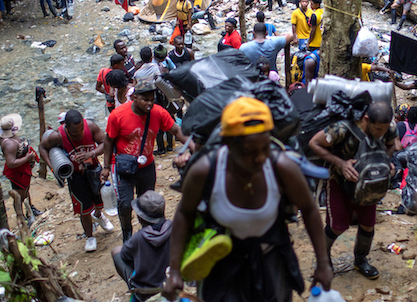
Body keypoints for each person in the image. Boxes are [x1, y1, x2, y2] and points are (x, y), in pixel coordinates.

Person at [163, 97, 333, 301]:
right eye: (249, 152)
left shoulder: (281, 167)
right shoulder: (205, 171)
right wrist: (174, 271)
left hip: (270, 260)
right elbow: (184, 213)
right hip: (222, 265)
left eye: (265, 148)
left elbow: (309, 208)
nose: (260, 158)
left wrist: (323, 262)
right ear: (227, 144)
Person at [308, 101, 401, 280]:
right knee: (337, 226)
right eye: (377, 129)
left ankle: (360, 260)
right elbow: (314, 143)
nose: (381, 133)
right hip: (340, 182)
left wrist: (384, 160)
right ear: (366, 119)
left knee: (368, 224)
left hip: (370, 183)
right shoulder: (343, 129)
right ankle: (323, 259)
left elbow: (394, 145)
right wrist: (340, 163)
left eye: (384, 129)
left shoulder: (387, 127)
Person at [102, 81, 188, 241]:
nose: (149, 103)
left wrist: (193, 145)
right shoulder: (118, 115)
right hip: (124, 167)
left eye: (151, 99)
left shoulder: (158, 113)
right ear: (134, 97)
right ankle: (127, 232)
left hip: (146, 166)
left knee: (146, 202)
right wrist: (106, 167)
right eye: (145, 99)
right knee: (125, 204)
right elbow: (109, 141)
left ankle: (148, 233)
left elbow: (175, 130)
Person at [40, 110, 115, 252]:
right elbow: (42, 147)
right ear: (66, 128)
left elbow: (105, 143)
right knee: (83, 208)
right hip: (76, 176)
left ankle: (98, 215)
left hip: (93, 169)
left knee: (100, 199)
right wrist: (53, 168)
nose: (80, 134)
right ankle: (89, 236)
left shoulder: (91, 127)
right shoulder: (58, 136)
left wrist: (91, 153)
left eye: (81, 129)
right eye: (75, 133)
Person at [111, 190, 172, 300]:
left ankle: (132, 283)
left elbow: (125, 255)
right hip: (170, 284)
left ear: (141, 218)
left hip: (146, 292)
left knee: (116, 251)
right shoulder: (174, 228)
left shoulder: (138, 238)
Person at [0, 113, 41, 226]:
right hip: (17, 172)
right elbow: (11, 163)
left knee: (26, 190)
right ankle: (21, 216)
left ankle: (30, 210)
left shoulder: (10, 139)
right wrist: (27, 158)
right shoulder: (9, 144)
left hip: (22, 169)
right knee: (20, 194)